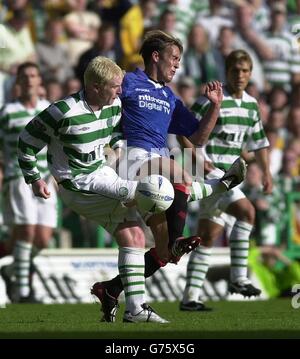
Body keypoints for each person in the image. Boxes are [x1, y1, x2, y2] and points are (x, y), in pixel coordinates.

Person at [90, 31, 246, 322]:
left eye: (179, 60)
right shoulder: (127, 81)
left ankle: (111, 290)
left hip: (155, 166)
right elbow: (99, 99)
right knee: (180, 172)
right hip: (131, 158)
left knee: (163, 253)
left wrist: (215, 106)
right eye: (174, 59)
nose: (177, 66)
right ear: (156, 56)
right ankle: (215, 188)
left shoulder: (169, 97)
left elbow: (197, 138)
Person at [17, 56, 173, 323]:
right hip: (77, 184)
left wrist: (119, 148)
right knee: (150, 197)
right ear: (96, 87)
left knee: (133, 236)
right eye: (115, 86)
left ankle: (124, 302)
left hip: (101, 174)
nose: (121, 91)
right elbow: (26, 141)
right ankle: (206, 194)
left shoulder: (114, 106)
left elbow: (111, 132)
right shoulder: (62, 111)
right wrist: (34, 179)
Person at [180, 49, 273, 311]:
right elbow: (182, 132)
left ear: (251, 74)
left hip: (231, 175)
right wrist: (198, 158)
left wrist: (266, 173)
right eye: (235, 70)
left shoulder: (252, 105)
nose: (240, 75)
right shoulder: (213, 98)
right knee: (247, 212)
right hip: (211, 174)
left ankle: (190, 298)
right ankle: (238, 278)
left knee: (208, 235)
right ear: (227, 72)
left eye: (245, 71)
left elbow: (259, 142)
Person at [0, 62, 57, 303]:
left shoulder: (49, 111)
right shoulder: (7, 112)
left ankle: (12, 270)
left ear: (39, 81)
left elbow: (59, 145)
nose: (29, 80)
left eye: (33, 75)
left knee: (43, 238)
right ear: (18, 83)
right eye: (24, 76)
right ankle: (22, 292)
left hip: (45, 179)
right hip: (18, 177)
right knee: (26, 230)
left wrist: (57, 176)